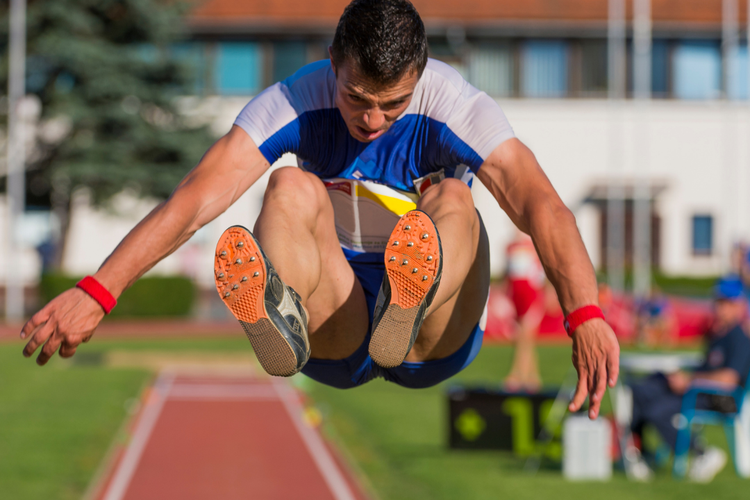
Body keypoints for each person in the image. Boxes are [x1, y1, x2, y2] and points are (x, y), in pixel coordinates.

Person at [20, 0, 619, 418]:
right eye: (357, 98)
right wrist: (99, 290)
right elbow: (196, 199)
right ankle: (283, 313)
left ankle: (407, 304)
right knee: (288, 187)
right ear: (333, 59)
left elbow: (542, 205)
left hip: (432, 337)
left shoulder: (457, 106)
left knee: (455, 197)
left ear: (421, 76)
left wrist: (585, 313)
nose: (373, 120)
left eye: (394, 104)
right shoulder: (294, 99)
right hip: (340, 320)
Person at [626, 276, 750, 482]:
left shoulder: (739, 338)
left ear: (740, 305)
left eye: (727, 302)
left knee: (656, 410)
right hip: (699, 390)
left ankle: (702, 453)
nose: (721, 307)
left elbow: (729, 379)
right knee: (643, 389)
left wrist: (689, 381)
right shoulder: (717, 334)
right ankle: (639, 453)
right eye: (718, 300)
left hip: (720, 398)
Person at [503, 231, 546, 391]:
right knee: (524, 337)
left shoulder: (533, 246)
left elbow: (540, 274)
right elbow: (507, 274)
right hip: (517, 295)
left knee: (525, 335)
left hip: (531, 294)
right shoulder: (510, 247)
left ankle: (516, 374)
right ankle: (533, 377)